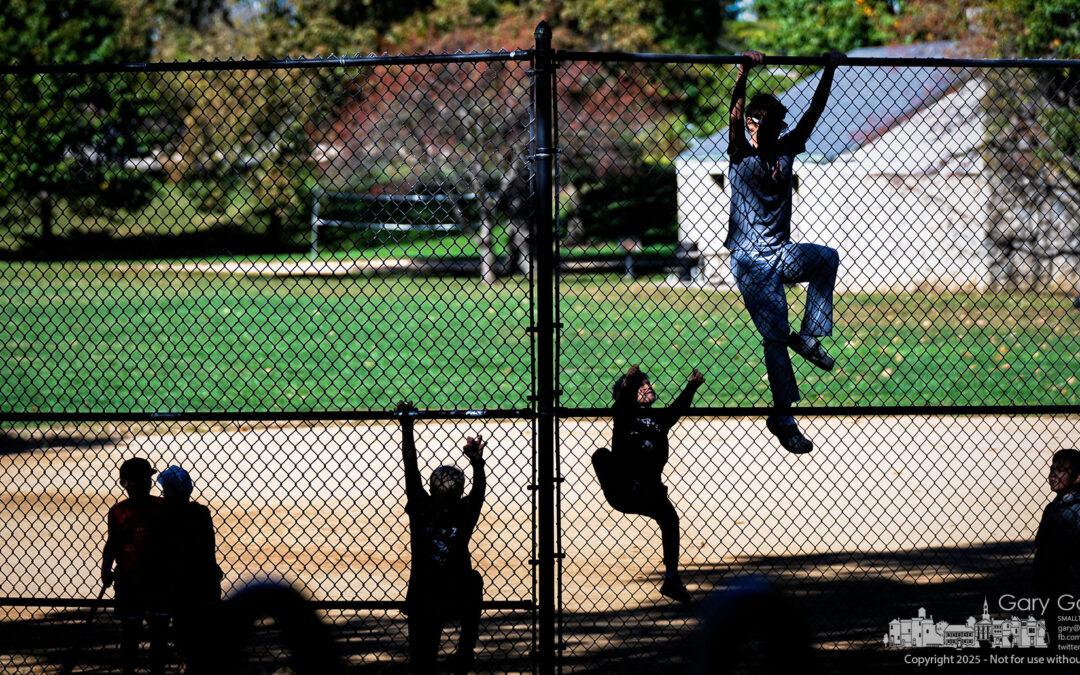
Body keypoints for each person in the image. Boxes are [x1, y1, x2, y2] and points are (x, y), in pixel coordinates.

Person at [726, 50, 845, 454]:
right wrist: (744, 71)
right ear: (753, 126)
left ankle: (810, 338)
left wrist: (828, 69)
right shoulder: (740, 152)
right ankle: (784, 417)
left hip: (781, 251)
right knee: (775, 337)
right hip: (750, 261)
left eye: (778, 125)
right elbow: (734, 111)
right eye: (766, 124)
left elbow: (814, 112)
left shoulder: (786, 149)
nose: (773, 131)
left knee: (826, 258)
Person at [592, 364, 705, 603]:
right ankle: (631, 482)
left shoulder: (658, 419)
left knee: (670, 519)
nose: (647, 387)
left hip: (649, 491)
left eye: (647, 383)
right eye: (640, 385)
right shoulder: (624, 415)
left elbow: (677, 409)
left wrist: (691, 386)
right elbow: (621, 405)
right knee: (601, 455)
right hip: (623, 490)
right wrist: (627, 383)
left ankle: (672, 579)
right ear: (629, 392)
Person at [395, 401, 487, 674]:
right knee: (475, 580)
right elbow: (480, 491)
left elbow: (410, 468)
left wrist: (407, 426)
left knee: (422, 659)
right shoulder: (465, 512)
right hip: (456, 590)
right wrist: (477, 461)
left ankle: (422, 663)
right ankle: (465, 650)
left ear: (431, 490)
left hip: (424, 591)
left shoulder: (421, 507)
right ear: (461, 493)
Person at [101, 457, 168, 675]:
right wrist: (106, 568)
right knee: (132, 632)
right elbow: (112, 542)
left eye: (146, 480)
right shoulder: (119, 511)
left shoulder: (161, 506)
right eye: (138, 481)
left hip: (157, 578)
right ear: (124, 483)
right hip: (131, 578)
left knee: (158, 634)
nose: (144, 484)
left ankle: (153, 670)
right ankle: (130, 670)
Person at [156, 465, 224, 674]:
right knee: (201, 626)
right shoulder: (200, 512)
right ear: (189, 490)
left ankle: (183, 662)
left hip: (173, 580)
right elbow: (208, 549)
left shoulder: (160, 513)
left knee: (179, 625)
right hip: (201, 579)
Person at [1033, 448, 1080, 650]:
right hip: (1049, 587)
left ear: (1077, 478)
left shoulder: (1077, 510)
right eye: (1052, 469)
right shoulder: (1052, 507)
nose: (1053, 474)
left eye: (1060, 470)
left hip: (1069, 587)